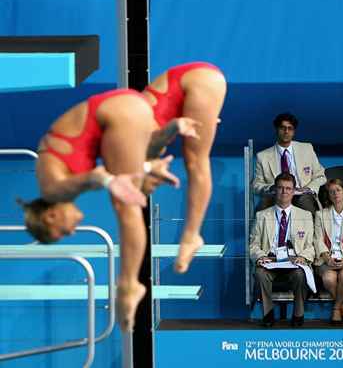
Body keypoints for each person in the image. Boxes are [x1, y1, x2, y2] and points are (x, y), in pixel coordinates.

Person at [18, 88, 189, 331]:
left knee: (125, 206)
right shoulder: (59, 176)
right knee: (136, 186)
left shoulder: (53, 191)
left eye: (63, 233)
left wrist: (108, 182)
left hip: (119, 110)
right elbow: (113, 158)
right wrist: (144, 168)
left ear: (51, 215)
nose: (72, 232)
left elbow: (94, 176)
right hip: (126, 108)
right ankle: (167, 138)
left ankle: (129, 285)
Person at [143, 61, 227, 274]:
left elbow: (158, 136)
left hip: (199, 81)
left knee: (195, 160)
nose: (154, 187)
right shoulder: (143, 149)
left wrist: (174, 127)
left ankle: (192, 236)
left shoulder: (137, 144)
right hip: (190, 87)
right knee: (193, 157)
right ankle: (191, 236)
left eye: (150, 186)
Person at [249, 172, 315, 327]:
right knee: (260, 272)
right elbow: (253, 244)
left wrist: (304, 257)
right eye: (280, 188)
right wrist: (260, 257)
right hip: (270, 259)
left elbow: (310, 245)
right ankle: (268, 313)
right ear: (275, 190)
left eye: (288, 188)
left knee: (300, 274)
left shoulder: (305, 215)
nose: (284, 192)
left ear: (293, 191)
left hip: (294, 260)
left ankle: (298, 314)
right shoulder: (262, 215)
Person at [252, 112, 326, 215]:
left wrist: (308, 189)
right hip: (276, 195)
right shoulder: (263, 156)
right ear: (277, 130)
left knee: (304, 202)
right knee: (263, 206)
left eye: (290, 128)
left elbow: (321, 176)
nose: (286, 131)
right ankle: (257, 231)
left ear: (294, 132)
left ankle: (315, 231)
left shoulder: (307, 149)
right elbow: (256, 185)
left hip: (301, 195)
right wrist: (270, 188)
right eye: (282, 128)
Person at [313, 179, 343, 324]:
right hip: (326, 257)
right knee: (329, 279)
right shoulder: (320, 214)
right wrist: (327, 258)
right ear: (328, 195)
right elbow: (318, 240)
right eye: (331, 191)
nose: (335, 194)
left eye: (338, 190)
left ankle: (336, 309)